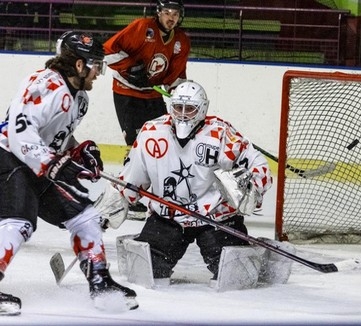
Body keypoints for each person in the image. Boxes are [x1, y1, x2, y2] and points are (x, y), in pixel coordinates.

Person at [0, 31, 138, 315]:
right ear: (79, 65)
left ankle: (100, 281)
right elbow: (20, 133)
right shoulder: (44, 86)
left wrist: (79, 151)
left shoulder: (80, 99)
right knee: (19, 221)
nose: (100, 72)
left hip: (38, 164)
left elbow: (58, 138)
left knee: (85, 217)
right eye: (97, 64)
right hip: (8, 157)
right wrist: (53, 164)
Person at [115, 81, 273, 282]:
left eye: (189, 109)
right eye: (177, 107)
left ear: (202, 110)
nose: (182, 114)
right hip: (168, 217)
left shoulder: (220, 133)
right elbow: (131, 179)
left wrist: (251, 188)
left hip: (215, 219)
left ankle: (257, 254)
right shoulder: (151, 133)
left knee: (237, 277)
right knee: (145, 275)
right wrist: (114, 204)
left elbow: (258, 165)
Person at [103, 0, 190, 214]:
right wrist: (131, 67)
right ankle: (126, 197)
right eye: (167, 12)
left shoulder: (181, 41)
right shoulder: (142, 27)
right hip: (126, 93)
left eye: (175, 14)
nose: (171, 18)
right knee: (136, 146)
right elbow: (107, 51)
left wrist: (182, 96)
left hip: (152, 95)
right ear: (158, 13)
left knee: (164, 142)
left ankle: (164, 192)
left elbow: (176, 77)